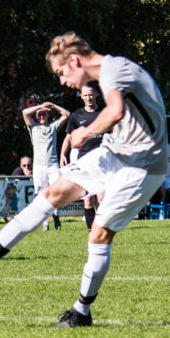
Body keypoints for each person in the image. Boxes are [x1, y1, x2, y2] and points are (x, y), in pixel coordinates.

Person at [0, 31, 168, 328]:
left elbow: (116, 111)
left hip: (143, 166)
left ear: (74, 60)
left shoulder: (113, 70)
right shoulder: (111, 73)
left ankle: (81, 312)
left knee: (98, 233)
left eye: (61, 72)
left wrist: (85, 133)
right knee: (51, 192)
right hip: (116, 152)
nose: (62, 80)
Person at [60, 84, 105, 230]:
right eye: (85, 95)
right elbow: (68, 138)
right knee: (87, 200)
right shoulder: (76, 115)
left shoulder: (104, 113)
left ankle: (103, 228)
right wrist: (62, 154)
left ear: (97, 94)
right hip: (84, 161)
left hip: (102, 160)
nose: (89, 98)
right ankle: (91, 231)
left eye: (91, 95)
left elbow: (115, 133)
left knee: (101, 197)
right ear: (81, 97)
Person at [23, 101, 70, 230]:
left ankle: (55, 215)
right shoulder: (33, 127)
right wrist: (40, 107)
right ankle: (45, 223)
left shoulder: (53, 126)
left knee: (56, 191)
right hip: (39, 166)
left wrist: (52, 106)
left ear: (48, 115)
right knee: (40, 195)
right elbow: (25, 113)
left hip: (53, 165)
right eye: (39, 115)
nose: (42, 117)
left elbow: (66, 114)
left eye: (44, 114)